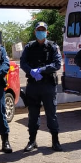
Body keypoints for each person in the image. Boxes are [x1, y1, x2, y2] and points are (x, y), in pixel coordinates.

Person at [20, 21, 62, 152]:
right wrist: (31, 71)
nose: (41, 32)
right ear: (35, 32)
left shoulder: (53, 46)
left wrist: (41, 70)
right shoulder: (29, 47)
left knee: (51, 114)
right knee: (33, 115)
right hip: (33, 85)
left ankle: (55, 141)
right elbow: (23, 63)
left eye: (43, 30)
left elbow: (57, 64)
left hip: (48, 85)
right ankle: (32, 141)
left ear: (46, 32)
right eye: (38, 30)